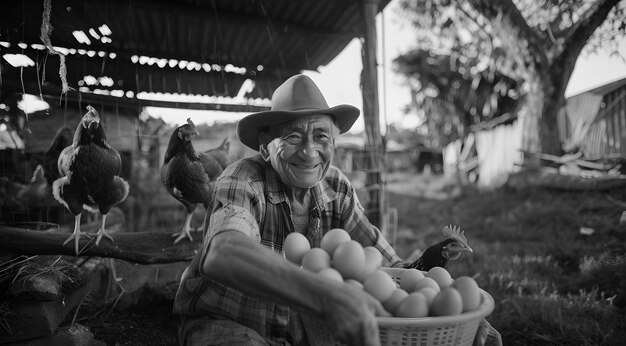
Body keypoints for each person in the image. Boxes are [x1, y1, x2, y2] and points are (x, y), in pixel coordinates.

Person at [173, 74, 500, 346]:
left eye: (321, 136)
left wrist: (448, 305)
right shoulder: (243, 177)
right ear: (264, 147)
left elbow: (388, 275)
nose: (310, 151)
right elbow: (222, 253)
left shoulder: (337, 188)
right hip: (227, 322)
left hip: (305, 333)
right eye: (293, 136)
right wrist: (326, 298)